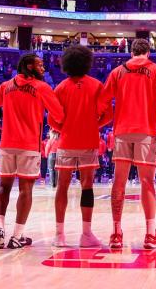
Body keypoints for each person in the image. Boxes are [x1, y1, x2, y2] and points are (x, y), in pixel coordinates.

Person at [100, 38, 156, 249]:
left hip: (122, 131)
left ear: (130, 52)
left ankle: (116, 233)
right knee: (147, 182)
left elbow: (102, 101)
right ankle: (150, 234)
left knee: (119, 181)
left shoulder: (117, 71)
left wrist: (105, 119)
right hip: (145, 131)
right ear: (149, 53)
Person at [0, 52, 64, 249]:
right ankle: (17, 236)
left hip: (7, 144)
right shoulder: (42, 87)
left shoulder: (6, 86)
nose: (43, 68)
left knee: (4, 187)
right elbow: (59, 115)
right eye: (40, 65)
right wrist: (54, 124)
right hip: (29, 145)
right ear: (29, 67)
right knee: (25, 190)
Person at [51, 45, 110, 248]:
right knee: (87, 187)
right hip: (88, 142)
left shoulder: (60, 87)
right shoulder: (96, 85)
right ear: (87, 62)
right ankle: (86, 234)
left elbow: (52, 120)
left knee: (62, 186)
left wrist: (65, 128)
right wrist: (94, 125)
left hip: (66, 142)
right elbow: (109, 114)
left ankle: (59, 235)